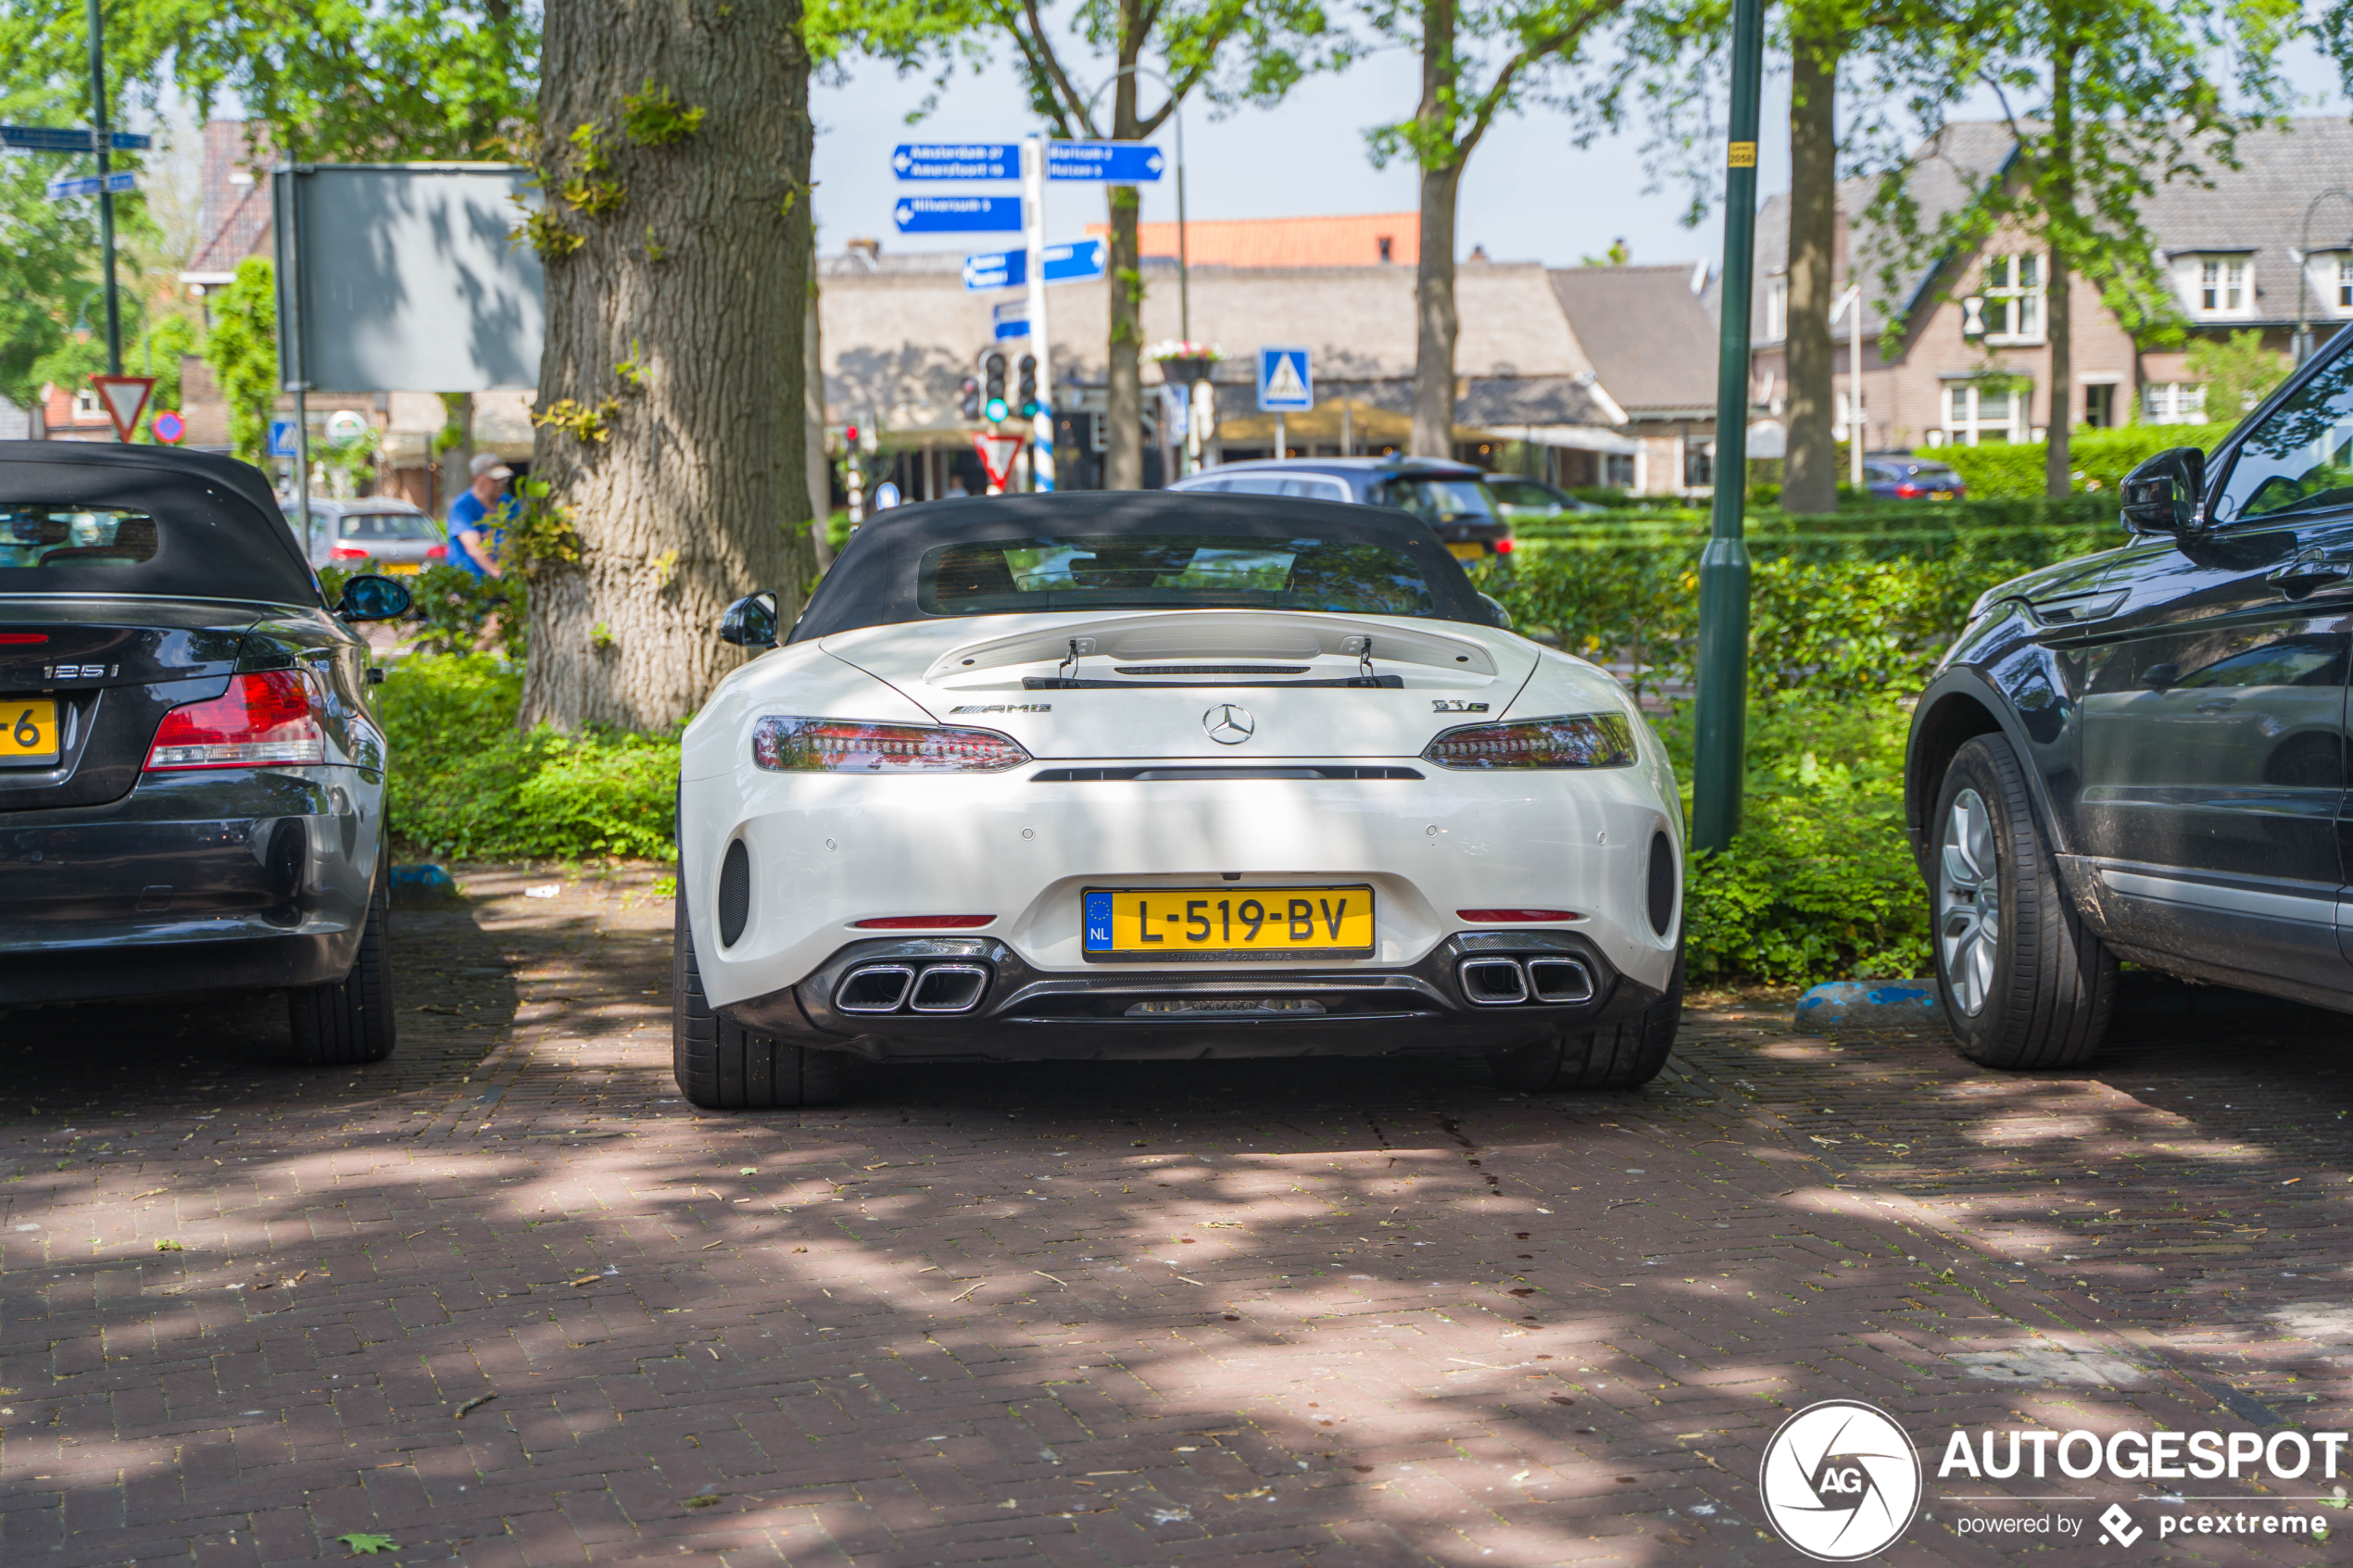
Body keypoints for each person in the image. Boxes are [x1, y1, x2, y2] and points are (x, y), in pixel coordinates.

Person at [447, 453, 515, 579]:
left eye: (503, 479)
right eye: (494, 480)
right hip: (473, 584)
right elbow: (474, 548)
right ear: (476, 478)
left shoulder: (509, 503)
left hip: (507, 583)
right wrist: (499, 574)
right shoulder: (462, 506)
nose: (500, 484)